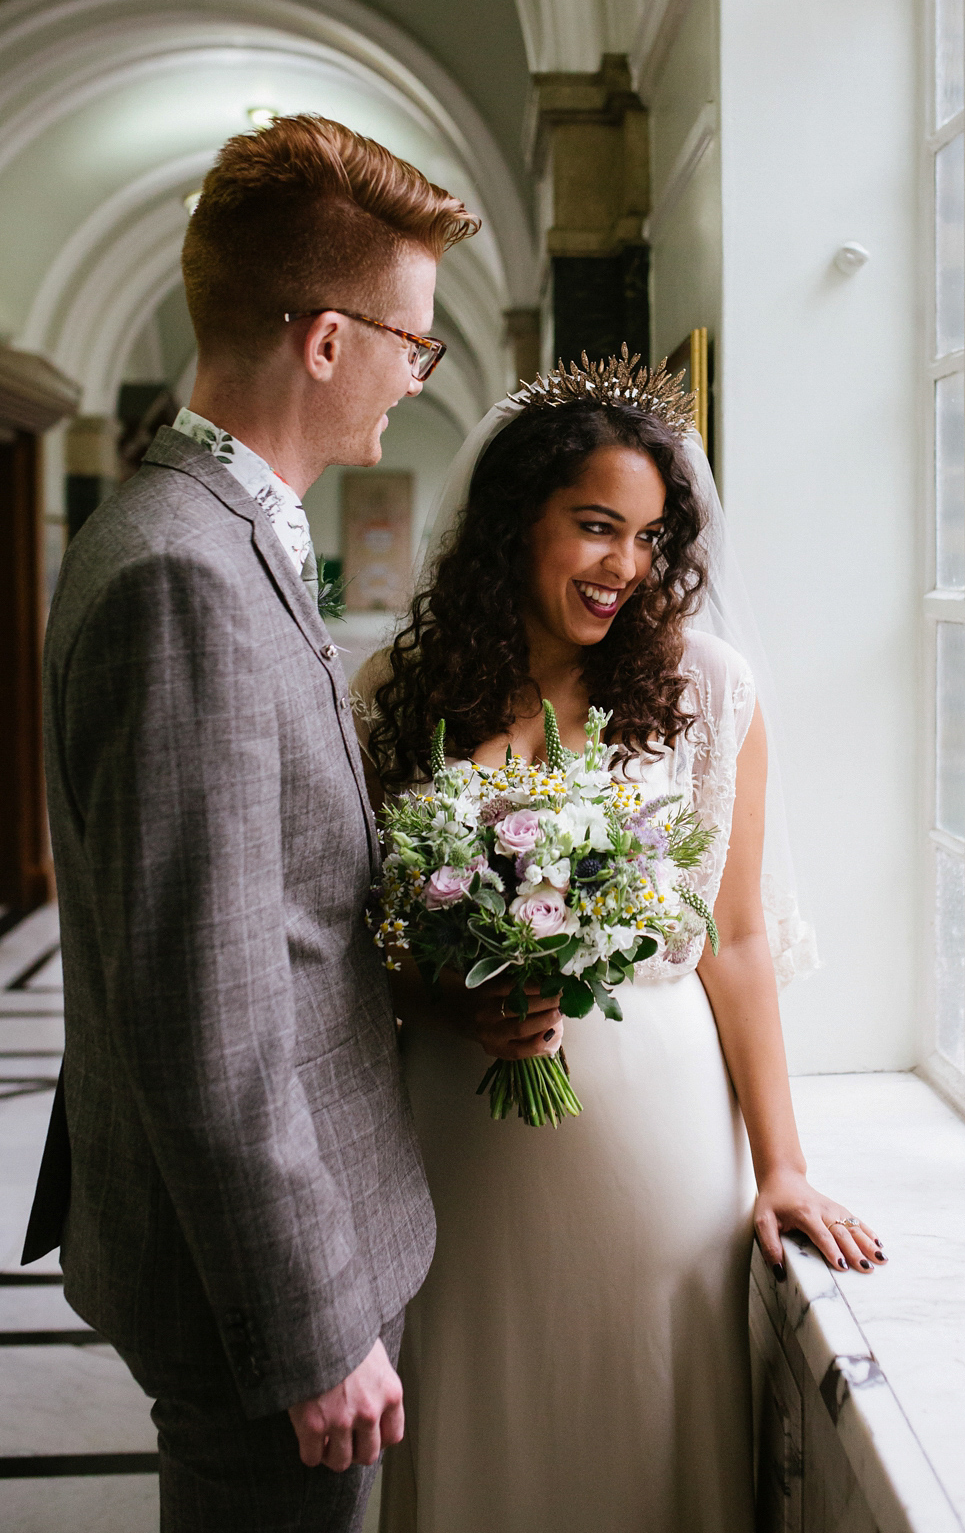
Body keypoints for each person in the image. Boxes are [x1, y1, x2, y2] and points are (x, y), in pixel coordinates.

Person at [23, 114, 478, 1532]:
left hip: (292, 1241)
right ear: (327, 341)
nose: (418, 374)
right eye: (416, 341)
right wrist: (311, 1325)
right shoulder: (182, 577)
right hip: (269, 1290)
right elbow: (201, 1007)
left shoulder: (213, 534)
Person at [352, 354, 885, 1533]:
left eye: (648, 539)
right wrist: (452, 1004)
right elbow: (363, 944)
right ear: (515, 521)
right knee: (482, 1416)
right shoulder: (397, 691)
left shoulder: (710, 692)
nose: (624, 568)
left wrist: (782, 1165)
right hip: (457, 1131)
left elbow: (736, 942)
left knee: (644, 1426)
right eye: (597, 527)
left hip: (658, 1134)